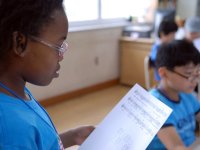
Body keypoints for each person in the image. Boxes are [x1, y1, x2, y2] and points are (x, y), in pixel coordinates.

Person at [0, 0, 94, 149]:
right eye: (58, 46)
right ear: (20, 43)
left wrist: (73, 136)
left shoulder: (16, 92)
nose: (61, 55)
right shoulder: (11, 133)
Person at [147, 40, 200, 150]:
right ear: (164, 73)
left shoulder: (187, 95)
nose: (195, 81)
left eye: (197, 72)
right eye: (189, 74)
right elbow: (176, 147)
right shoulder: (155, 105)